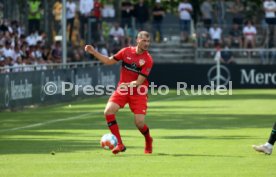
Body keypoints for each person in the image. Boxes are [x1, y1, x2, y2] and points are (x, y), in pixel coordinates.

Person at [84, 31, 153, 154]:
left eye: (148, 41)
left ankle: (148, 140)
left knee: (139, 123)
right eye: (144, 41)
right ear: (138, 40)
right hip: (123, 89)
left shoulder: (148, 59)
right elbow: (109, 61)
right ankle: (120, 144)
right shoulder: (125, 51)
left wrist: (128, 84)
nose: (146, 43)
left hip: (139, 91)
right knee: (108, 111)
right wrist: (94, 52)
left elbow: (138, 82)